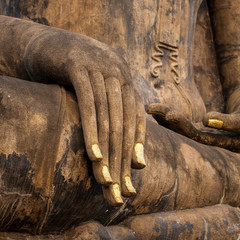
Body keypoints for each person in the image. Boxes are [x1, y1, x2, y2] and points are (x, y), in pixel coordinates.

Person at [1, 0, 240, 238]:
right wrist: (37, 43)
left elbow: (234, 60)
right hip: (66, 107)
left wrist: (225, 126)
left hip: (195, 150)